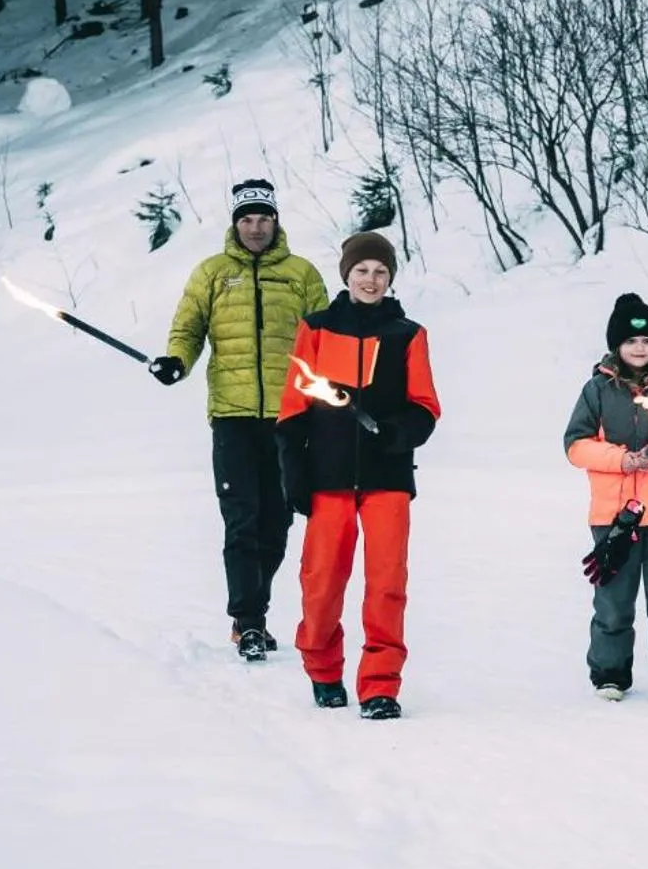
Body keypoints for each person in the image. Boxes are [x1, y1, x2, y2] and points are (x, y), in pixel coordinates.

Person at [149, 179, 329, 661]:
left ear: (276, 221)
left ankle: (254, 611)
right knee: (242, 519)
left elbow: (324, 343)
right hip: (231, 417)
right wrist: (176, 361)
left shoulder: (302, 274)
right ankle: (248, 621)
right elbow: (188, 328)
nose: (255, 228)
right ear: (235, 223)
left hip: (290, 418)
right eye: (246, 219)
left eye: (263, 219)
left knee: (278, 520)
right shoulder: (211, 273)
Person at [276, 232, 441, 720]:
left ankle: (380, 686)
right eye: (363, 270)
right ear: (346, 274)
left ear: (390, 280)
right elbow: (292, 409)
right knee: (322, 582)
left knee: (387, 582)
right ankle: (323, 668)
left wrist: (394, 432)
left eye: (381, 272)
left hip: (386, 479)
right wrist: (295, 474)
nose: (371, 279)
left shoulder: (407, 334)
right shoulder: (318, 329)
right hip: (327, 478)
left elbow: (426, 407)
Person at [563, 293, 648, 702]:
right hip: (614, 515)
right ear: (616, 346)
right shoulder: (597, 392)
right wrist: (622, 460)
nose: (640, 348)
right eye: (630, 341)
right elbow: (575, 445)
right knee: (614, 594)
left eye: (646, 341)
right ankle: (610, 672)